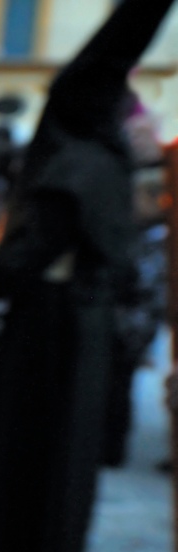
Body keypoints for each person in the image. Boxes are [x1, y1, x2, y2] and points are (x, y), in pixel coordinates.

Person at [0, 0, 175, 552]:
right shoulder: (111, 166)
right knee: (66, 454)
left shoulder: (73, 168)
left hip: (47, 333)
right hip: (87, 329)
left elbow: (29, 255)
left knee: (28, 447)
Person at [104, 166, 167, 467]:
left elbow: (146, 280)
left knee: (119, 386)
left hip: (134, 322)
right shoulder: (141, 232)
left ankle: (112, 449)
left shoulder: (158, 237)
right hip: (129, 318)